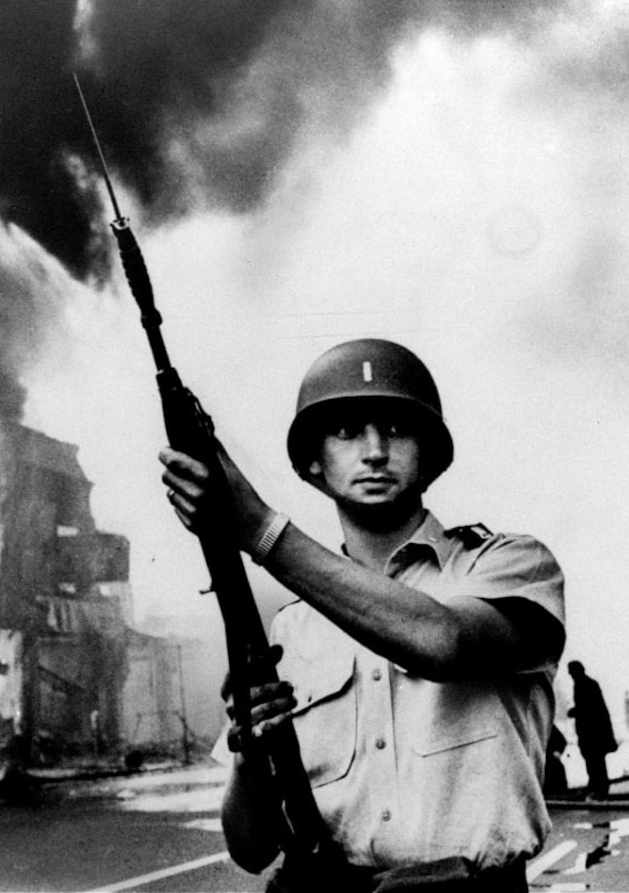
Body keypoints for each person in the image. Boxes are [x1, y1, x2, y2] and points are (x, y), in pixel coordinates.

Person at [160, 338, 566, 892]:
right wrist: (251, 750)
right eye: (347, 432)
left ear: (430, 455)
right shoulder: (291, 629)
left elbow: (444, 640)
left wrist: (258, 530)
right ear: (313, 463)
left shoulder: (509, 565)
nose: (374, 452)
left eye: (396, 430)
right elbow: (250, 848)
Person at [566, 661, 617, 799]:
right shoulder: (584, 683)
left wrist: (574, 712)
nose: (570, 674)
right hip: (590, 732)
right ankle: (596, 786)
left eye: (571, 671)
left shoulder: (585, 684)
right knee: (593, 760)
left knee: (595, 761)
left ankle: (600, 789)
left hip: (592, 732)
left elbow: (589, 708)